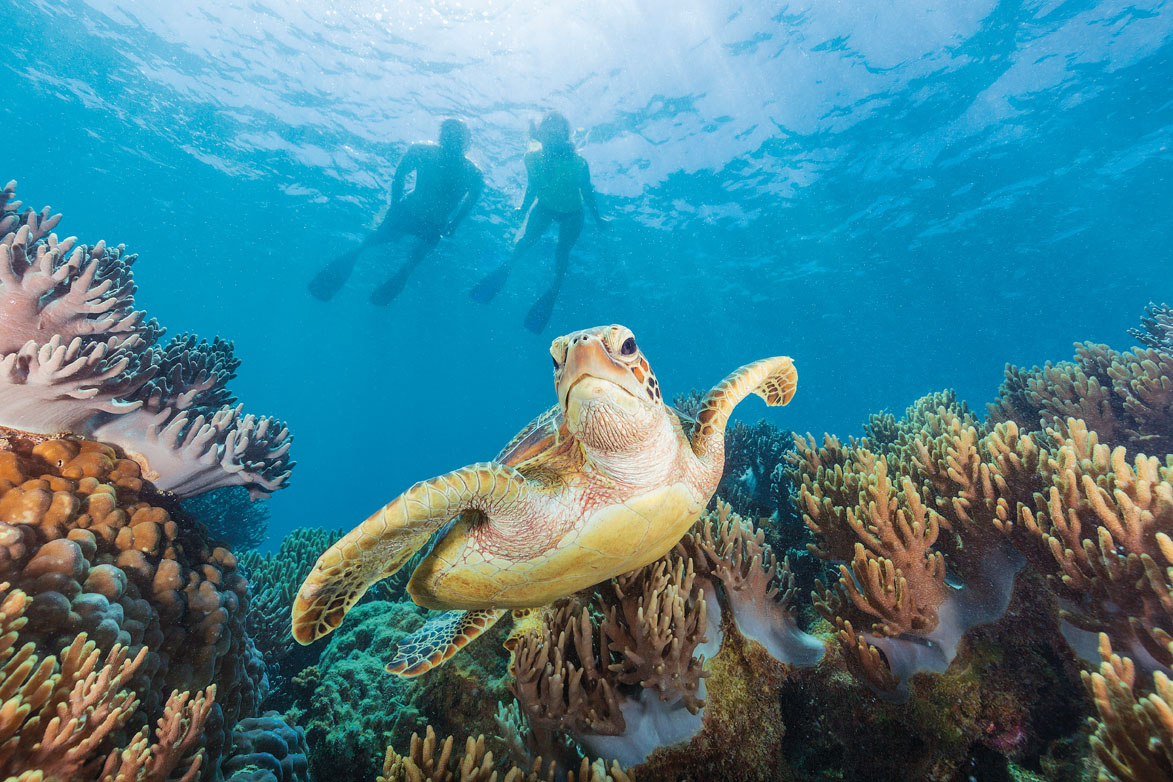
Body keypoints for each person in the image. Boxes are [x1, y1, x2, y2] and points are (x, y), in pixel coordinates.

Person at [308, 118, 484, 305]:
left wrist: (396, 206)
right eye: (450, 135)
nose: (452, 140)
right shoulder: (465, 170)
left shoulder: (445, 161)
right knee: (397, 254)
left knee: (382, 249)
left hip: (415, 216)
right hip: (418, 216)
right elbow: (400, 175)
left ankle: (399, 274)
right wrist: (395, 206)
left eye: (455, 136)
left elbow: (400, 175)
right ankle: (399, 274)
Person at [470, 111, 607, 333]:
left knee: (562, 252)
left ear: (566, 134)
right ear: (540, 133)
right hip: (544, 207)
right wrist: (523, 209)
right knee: (525, 242)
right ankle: (506, 268)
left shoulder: (579, 162)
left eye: (557, 129)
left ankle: (554, 289)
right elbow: (532, 185)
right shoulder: (531, 158)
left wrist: (598, 218)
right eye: (548, 128)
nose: (552, 133)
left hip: (573, 213)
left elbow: (587, 192)